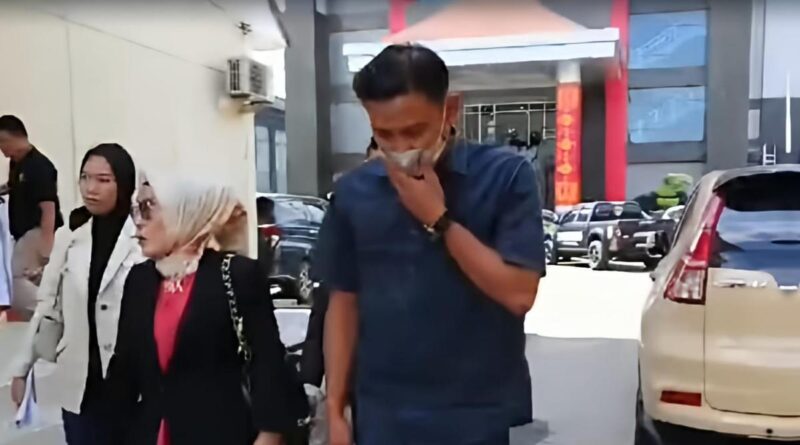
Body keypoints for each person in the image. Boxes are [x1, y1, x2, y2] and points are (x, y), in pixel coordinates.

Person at [320, 44, 546, 445]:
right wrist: (335, 409)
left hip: (478, 413)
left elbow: (519, 293)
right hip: (382, 414)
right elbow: (343, 303)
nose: (400, 147)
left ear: (450, 110)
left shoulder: (505, 177)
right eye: (384, 134)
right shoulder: (354, 193)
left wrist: (438, 218)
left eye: (414, 131)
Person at [106, 171, 308, 445]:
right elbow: (125, 372)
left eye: (148, 207)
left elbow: (267, 363)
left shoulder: (237, 275)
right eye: (136, 209)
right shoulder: (140, 280)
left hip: (222, 432)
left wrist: (269, 436)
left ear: (184, 212)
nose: (138, 222)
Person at [9, 143, 140, 444]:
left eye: (103, 180)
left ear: (124, 184)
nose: (90, 189)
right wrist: (22, 368)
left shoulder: (143, 238)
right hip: (82, 387)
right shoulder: (69, 237)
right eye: (85, 177)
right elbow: (47, 306)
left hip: (134, 388)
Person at [0, 115, 64, 320]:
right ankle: (47, 319)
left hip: (37, 233)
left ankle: (51, 316)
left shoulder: (40, 166)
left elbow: (48, 208)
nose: (2, 150)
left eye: (2, 143)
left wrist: (46, 245)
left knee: (19, 285)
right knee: (33, 280)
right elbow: (14, 186)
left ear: (10, 138)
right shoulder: (16, 163)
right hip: (23, 235)